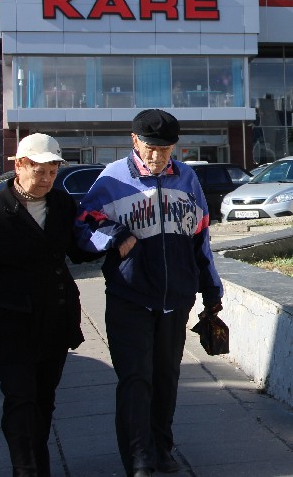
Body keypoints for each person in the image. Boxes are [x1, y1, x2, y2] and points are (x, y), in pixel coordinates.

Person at [0, 133, 100, 477]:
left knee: (43, 402)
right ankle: (26, 470)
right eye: (39, 170)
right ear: (19, 165)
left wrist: (114, 240)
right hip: (10, 326)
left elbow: (77, 251)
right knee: (20, 400)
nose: (46, 179)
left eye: (53, 171)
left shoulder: (62, 205)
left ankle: (36, 463)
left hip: (55, 321)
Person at [74, 109, 223, 477]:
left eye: (166, 148)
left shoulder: (187, 179)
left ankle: (162, 447)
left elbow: (200, 237)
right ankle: (139, 457)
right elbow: (82, 228)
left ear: (176, 146)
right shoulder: (112, 179)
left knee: (166, 377)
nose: (157, 156)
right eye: (151, 147)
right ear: (134, 141)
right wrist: (114, 237)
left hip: (176, 298)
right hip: (130, 296)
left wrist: (211, 290)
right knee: (136, 378)